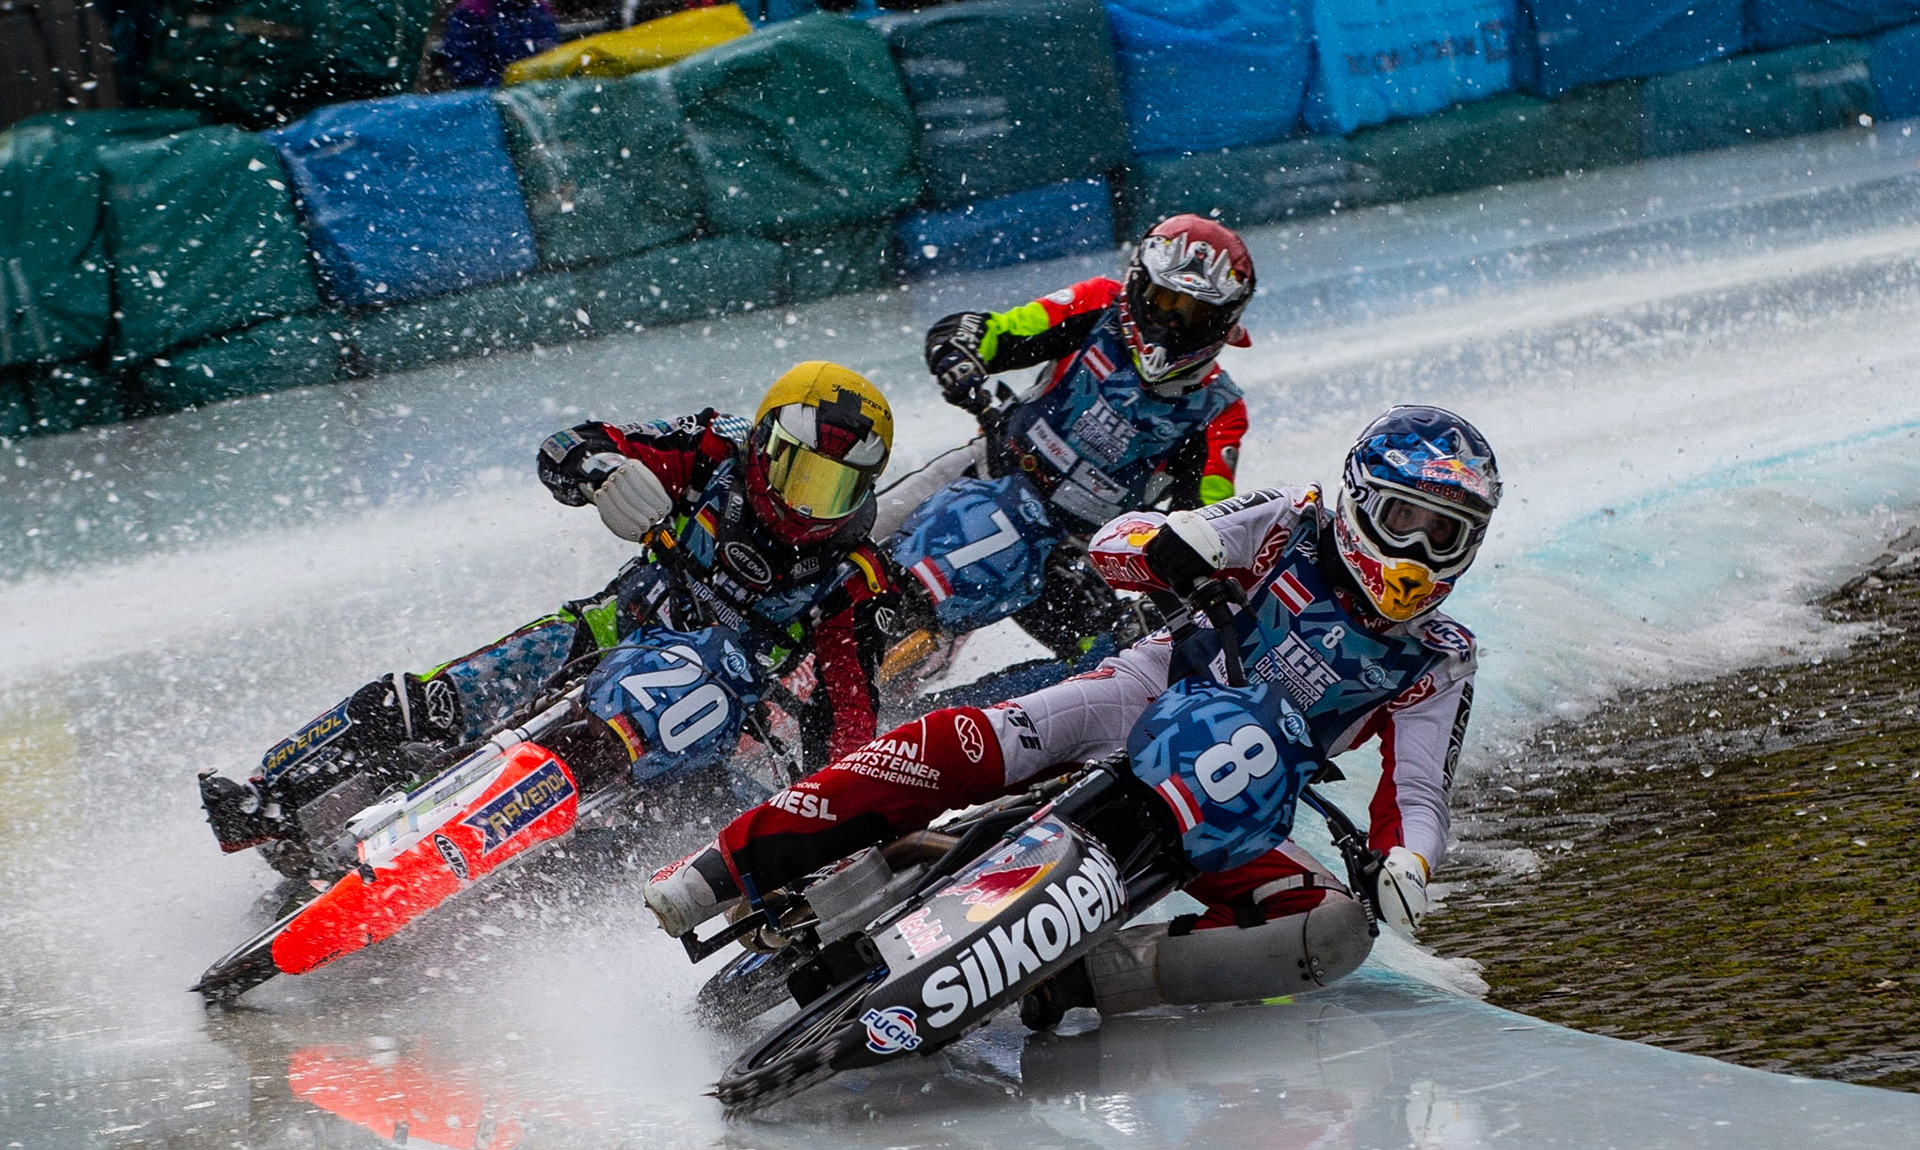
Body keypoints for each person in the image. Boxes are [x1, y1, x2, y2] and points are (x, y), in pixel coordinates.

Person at [645, 405, 1501, 1022]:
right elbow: (1118, 543)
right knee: (961, 744)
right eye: (1405, 520)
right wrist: (1176, 543)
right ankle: (725, 870)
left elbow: (1419, 798)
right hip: (1140, 697)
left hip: (1241, 811)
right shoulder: (1291, 522)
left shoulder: (1441, 656)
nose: (1420, 553)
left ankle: (1090, 979)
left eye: (1447, 534)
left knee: (1332, 932)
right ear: (1359, 501)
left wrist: (1409, 865)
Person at [199, 361, 900, 873]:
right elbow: (569, 443)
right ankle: (267, 800)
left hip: (705, 728)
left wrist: (828, 814)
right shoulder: (716, 445)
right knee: (421, 703)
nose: (809, 505)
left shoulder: (853, 576)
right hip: (603, 630)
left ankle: (511, 856)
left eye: (834, 488)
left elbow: (846, 716)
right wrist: (601, 474)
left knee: (659, 837)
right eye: (801, 475)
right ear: (768, 443)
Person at [875, 213, 1256, 658]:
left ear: (1225, 323)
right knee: (854, 533)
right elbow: (1003, 332)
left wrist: (1183, 580)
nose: (1171, 324)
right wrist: (961, 347)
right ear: (1136, 283)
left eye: (1194, 314)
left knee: (1114, 657)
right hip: (986, 471)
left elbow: (1206, 521)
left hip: (1068, 557)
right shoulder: (1097, 303)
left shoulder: (1220, 411)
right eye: (1163, 300)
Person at [442, 0, 561, 88]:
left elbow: (550, 57)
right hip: (488, 98)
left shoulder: (540, 10)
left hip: (534, 92)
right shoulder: (473, 12)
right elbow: (465, 68)